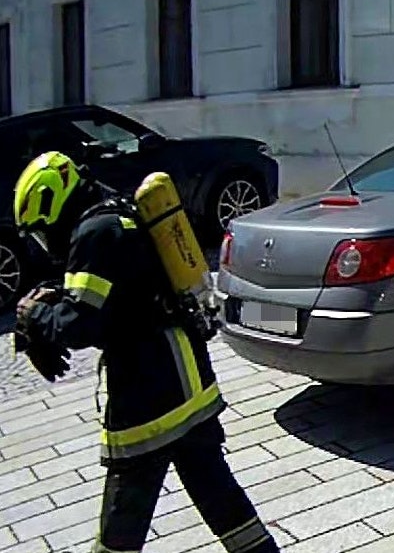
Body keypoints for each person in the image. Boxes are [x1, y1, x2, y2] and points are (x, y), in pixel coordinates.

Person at [11, 151, 278, 553]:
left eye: (40, 231)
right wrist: (53, 304)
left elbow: (83, 323)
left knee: (123, 517)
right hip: (189, 381)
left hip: (149, 396)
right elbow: (115, 294)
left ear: (53, 207)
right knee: (219, 496)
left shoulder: (94, 233)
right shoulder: (117, 213)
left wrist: (35, 315)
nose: (42, 241)